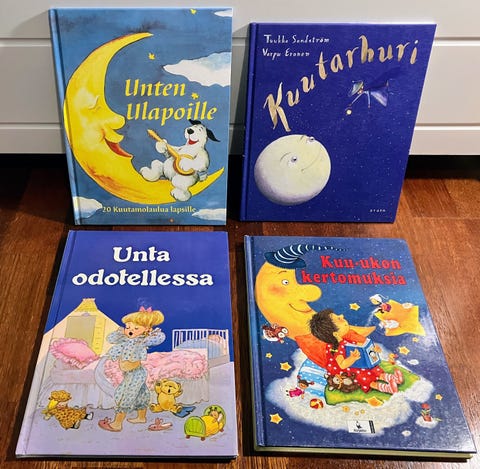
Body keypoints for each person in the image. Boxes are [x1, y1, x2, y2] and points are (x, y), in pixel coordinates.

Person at [99, 306, 165, 432]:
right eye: (128, 327)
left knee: (126, 395)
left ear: (146, 329)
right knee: (142, 394)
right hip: (130, 373)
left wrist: (149, 333)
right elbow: (110, 338)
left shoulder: (142, 341)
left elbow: (160, 337)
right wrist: (120, 332)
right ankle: (141, 417)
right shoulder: (125, 339)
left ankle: (117, 423)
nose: (130, 331)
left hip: (136, 373)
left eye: (136, 328)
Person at [309, 308, 403, 394]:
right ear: (336, 334)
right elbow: (342, 365)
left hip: (358, 362)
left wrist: (373, 349)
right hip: (348, 371)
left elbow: (361, 344)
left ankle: (392, 378)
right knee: (365, 378)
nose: (342, 315)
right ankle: (387, 388)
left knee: (374, 369)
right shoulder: (336, 347)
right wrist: (352, 358)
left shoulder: (347, 337)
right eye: (339, 319)